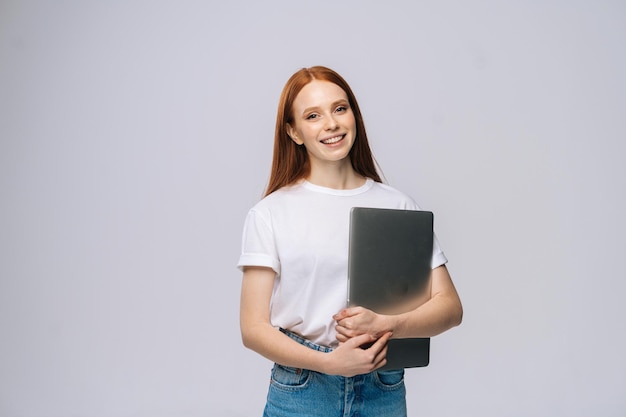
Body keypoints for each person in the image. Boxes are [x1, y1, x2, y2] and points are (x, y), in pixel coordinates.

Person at [238, 66, 463, 417]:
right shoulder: (270, 213)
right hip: (303, 391)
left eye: (340, 109)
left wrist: (387, 324)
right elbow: (252, 329)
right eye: (313, 116)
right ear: (294, 132)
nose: (331, 124)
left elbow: (450, 308)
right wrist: (327, 363)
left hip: (382, 389)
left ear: (354, 115)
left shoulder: (397, 205)